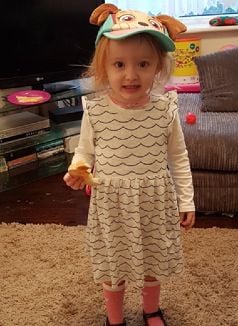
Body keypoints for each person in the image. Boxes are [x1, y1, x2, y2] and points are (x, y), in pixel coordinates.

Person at [63, 4, 194, 326]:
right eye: (119, 64)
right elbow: (84, 152)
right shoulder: (95, 110)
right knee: (114, 264)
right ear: (103, 68)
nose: (131, 74)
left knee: (152, 261)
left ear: (159, 68)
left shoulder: (166, 109)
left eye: (143, 64)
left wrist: (186, 199)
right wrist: (78, 169)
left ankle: (151, 309)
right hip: (112, 203)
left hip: (154, 200)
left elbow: (178, 157)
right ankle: (115, 317)